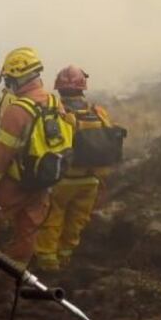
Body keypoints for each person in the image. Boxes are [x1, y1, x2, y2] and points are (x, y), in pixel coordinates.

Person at [0, 47, 58, 277]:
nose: (8, 83)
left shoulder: (17, 111)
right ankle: (16, 273)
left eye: (9, 79)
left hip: (14, 183)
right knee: (28, 228)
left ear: (18, 78)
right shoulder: (53, 101)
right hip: (42, 180)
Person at [34, 66, 118, 271]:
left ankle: (47, 262)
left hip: (63, 179)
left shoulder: (57, 112)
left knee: (52, 218)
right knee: (77, 220)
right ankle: (65, 256)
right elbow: (109, 140)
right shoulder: (98, 111)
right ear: (83, 87)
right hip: (92, 180)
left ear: (59, 88)